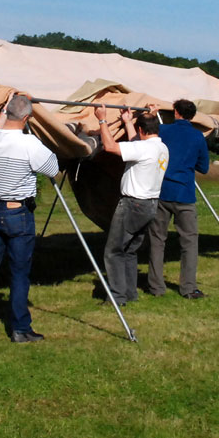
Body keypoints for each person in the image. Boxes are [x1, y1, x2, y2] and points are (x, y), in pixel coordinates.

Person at [0, 93, 60, 343]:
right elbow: (52, 168)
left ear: (7, 112)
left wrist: (5, 105)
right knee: (19, 273)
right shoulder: (29, 144)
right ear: (27, 118)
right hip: (18, 213)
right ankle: (20, 328)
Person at [95, 104, 169, 307]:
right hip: (150, 205)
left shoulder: (144, 148)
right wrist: (128, 122)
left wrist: (102, 120)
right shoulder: (161, 148)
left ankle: (117, 296)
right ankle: (129, 293)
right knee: (129, 250)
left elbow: (110, 147)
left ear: (142, 131)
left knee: (113, 251)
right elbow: (137, 144)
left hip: (132, 204)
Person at [147, 100, 210, 299]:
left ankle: (156, 287)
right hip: (185, 194)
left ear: (175, 112)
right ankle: (188, 288)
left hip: (162, 192)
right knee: (189, 243)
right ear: (193, 115)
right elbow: (204, 167)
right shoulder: (198, 136)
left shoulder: (164, 131)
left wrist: (151, 113)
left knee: (157, 241)